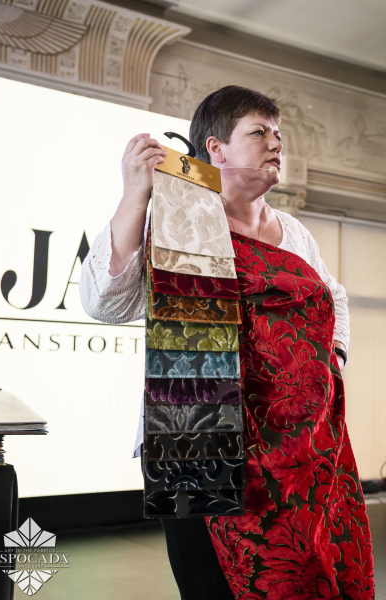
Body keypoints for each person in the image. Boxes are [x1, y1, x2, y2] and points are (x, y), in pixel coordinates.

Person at [79, 86, 375, 599]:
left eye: (278, 133)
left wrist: (330, 363)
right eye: (259, 132)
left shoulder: (294, 232)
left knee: (299, 575)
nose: (276, 143)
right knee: (210, 586)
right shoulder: (176, 218)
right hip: (195, 437)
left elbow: (335, 299)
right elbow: (105, 304)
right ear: (215, 149)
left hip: (296, 442)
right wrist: (134, 195)